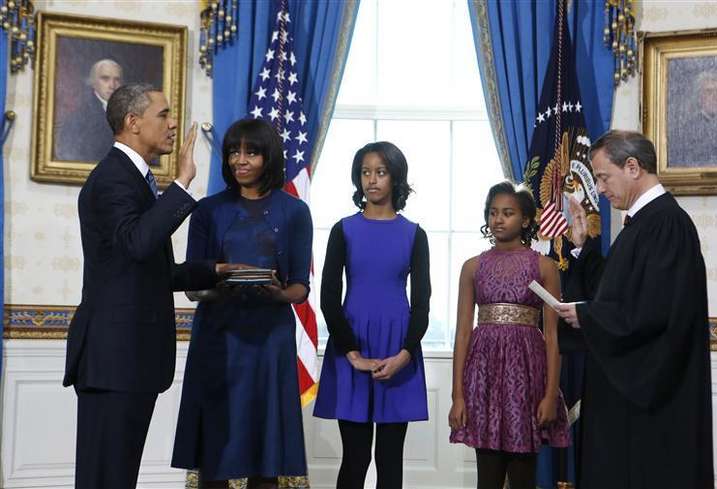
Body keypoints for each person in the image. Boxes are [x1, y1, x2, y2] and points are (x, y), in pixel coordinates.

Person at [63, 83, 238, 489]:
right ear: (132, 122)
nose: (174, 124)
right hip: (113, 361)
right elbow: (139, 244)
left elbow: (149, 271)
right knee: (105, 478)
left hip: (130, 361)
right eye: (164, 114)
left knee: (117, 477)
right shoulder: (112, 178)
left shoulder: (136, 180)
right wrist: (182, 183)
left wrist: (216, 269)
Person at [556, 130, 714, 489]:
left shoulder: (665, 223)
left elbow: (652, 310)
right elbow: (618, 291)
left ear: (632, 167)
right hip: (631, 404)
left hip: (650, 406)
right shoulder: (645, 223)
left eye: (602, 176)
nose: (598, 188)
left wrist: (587, 315)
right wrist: (583, 250)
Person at [171, 118, 312, 489]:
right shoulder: (207, 210)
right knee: (215, 448)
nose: (240, 160)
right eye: (234, 151)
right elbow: (191, 284)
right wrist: (222, 280)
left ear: (269, 156)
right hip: (217, 337)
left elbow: (300, 286)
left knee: (266, 452)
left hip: (270, 341)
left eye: (251, 151)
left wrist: (277, 293)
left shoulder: (295, 212)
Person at [313, 141, 430, 489]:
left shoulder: (414, 234)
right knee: (355, 457)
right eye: (365, 172)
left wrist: (404, 355)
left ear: (396, 178)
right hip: (352, 349)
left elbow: (422, 302)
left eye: (380, 172)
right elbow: (329, 298)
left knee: (390, 460)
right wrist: (353, 354)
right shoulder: (343, 229)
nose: (372, 180)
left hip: (398, 350)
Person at [449, 181, 569, 489]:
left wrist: (550, 395)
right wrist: (458, 395)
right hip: (483, 378)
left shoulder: (544, 267)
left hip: (526, 381)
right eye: (492, 213)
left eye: (507, 213)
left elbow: (554, 337)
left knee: (523, 478)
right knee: (487, 478)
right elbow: (463, 333)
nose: (498, 220)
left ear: (526, 219)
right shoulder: (472, 267)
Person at [56, 59, 124, 162]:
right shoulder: (79, 117)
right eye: (105, 79)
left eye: (117, 80)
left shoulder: (129, 113)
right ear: (93, 82)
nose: (112, 85)